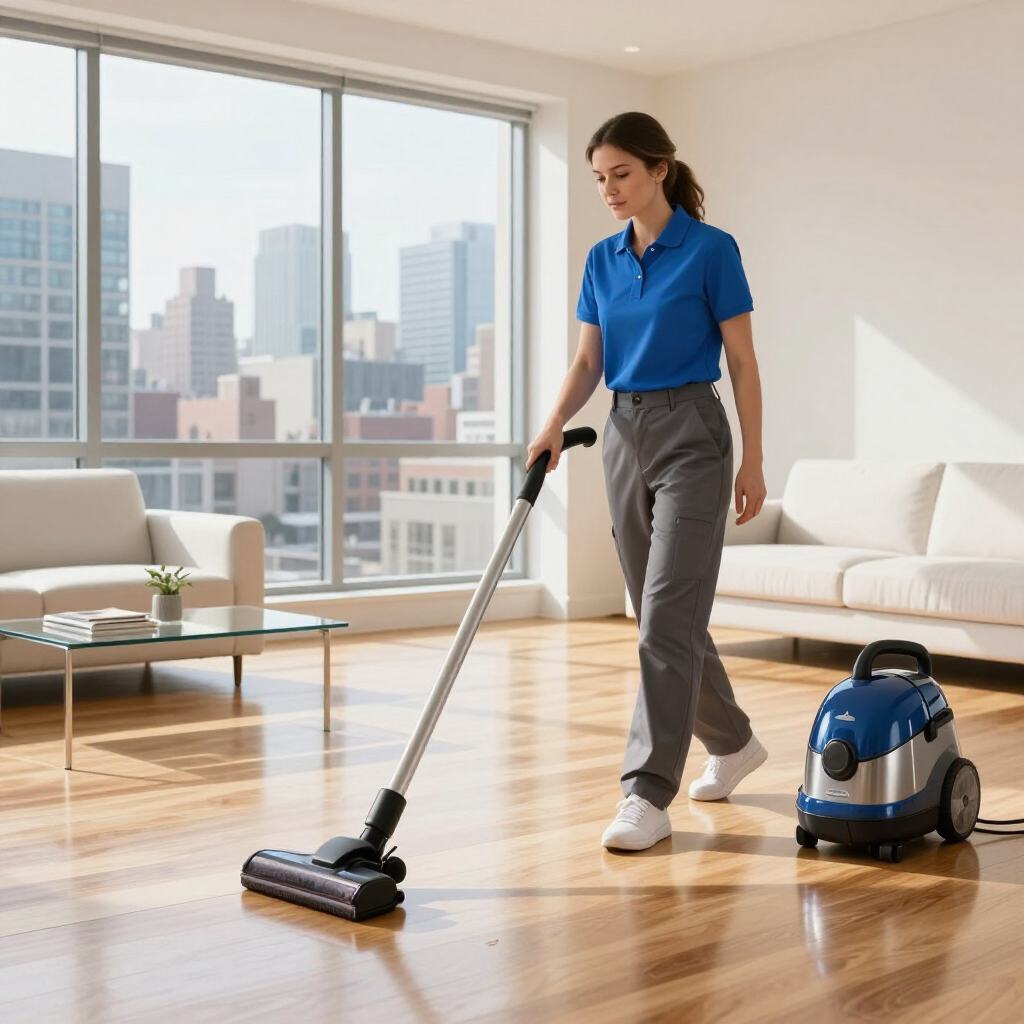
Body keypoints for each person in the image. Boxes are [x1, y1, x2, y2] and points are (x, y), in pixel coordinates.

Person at [527, 111, 769, 852]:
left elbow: (743, 363)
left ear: (660, 169)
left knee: (665, 614)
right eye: (599, 178)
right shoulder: (601, 260)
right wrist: (552, 423)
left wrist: (754, 460)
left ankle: (646, 793)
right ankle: (734, 743)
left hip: (693, 433)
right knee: (662, 615)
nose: (609, 189)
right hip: (622, 435)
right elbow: (588, 362)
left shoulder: (711, 249)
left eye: (622, 174)